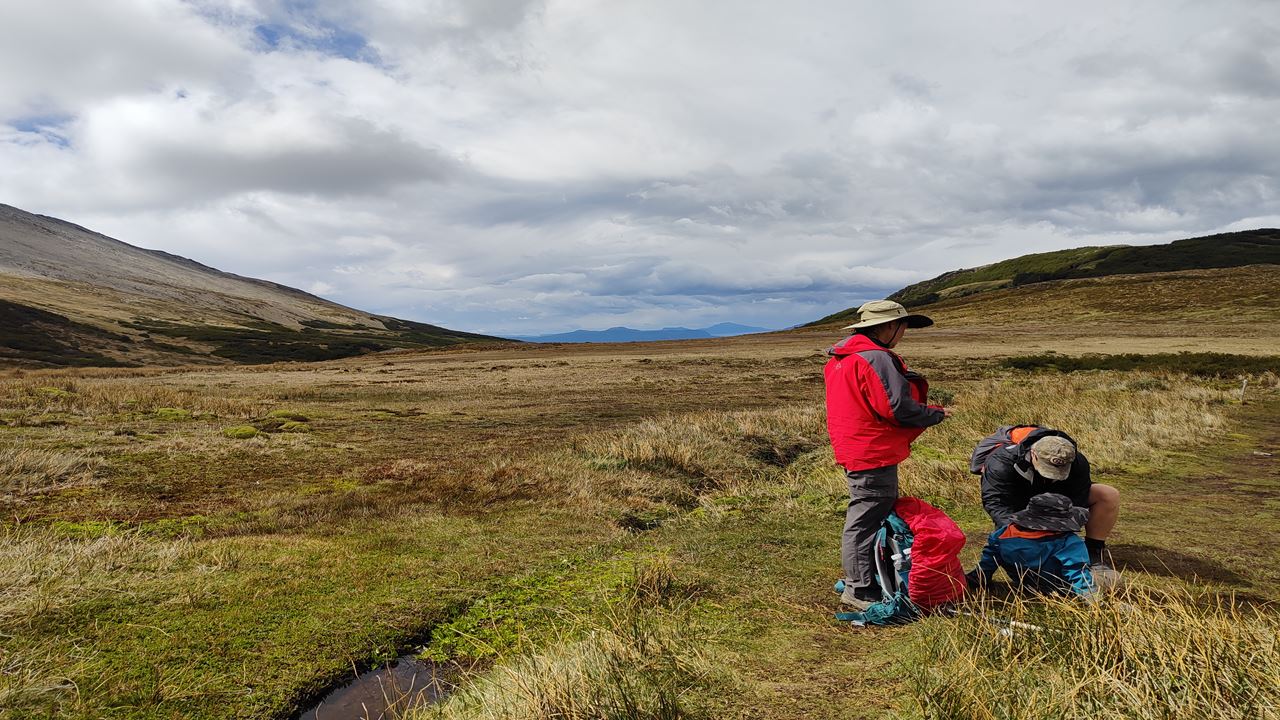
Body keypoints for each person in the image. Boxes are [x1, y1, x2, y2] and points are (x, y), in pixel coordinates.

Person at [824, 300, 951, 610]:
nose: (904, 332)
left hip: (856, 445)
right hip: (872, 450)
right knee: (867, 517)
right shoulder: (876, 358)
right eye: (902, 325)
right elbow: (897, 408)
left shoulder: (841, 359)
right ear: (886, 326)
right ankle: (859, 589)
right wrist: (934, 414)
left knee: (869, 513)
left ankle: (870, 579)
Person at [981, 429, 1121, 586]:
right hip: (1019, 504)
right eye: (1047, 468)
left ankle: (1093, 554)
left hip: (1056, 501)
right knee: (1011, 543)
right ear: (1033, 454)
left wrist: (1059, 536)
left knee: (1108, 494)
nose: (1052, 475)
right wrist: (1020, 532)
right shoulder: (1001, 463)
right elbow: (996, 502)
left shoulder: (1077, 461)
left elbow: (1077, 501)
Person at [969, 492, 1095, 597]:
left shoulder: (1002, 535)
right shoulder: (1069, 542)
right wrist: (1093, 602)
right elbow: (1078, 573)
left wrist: (977, 579)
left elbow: (988, 564)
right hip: (1062, 590)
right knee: (1111, 577)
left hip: (1026, 586)